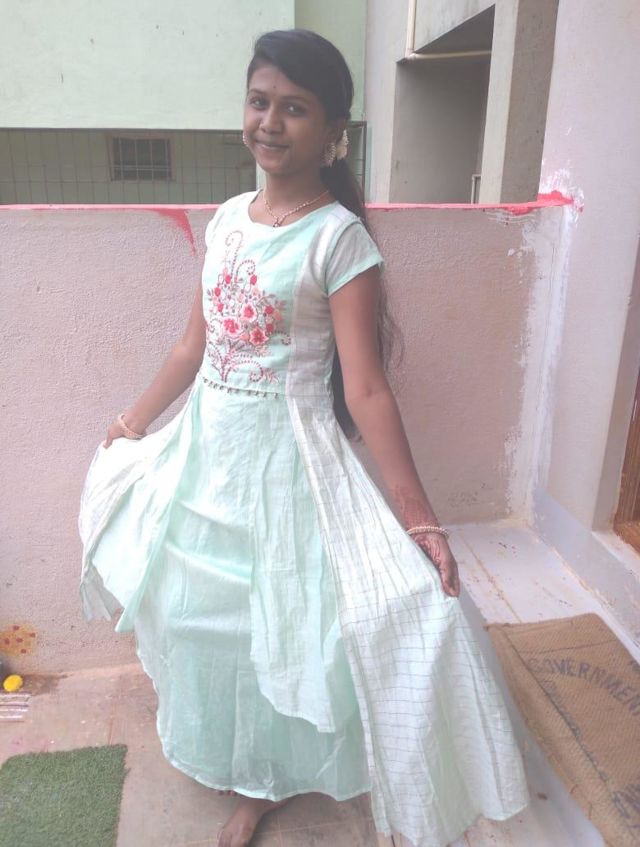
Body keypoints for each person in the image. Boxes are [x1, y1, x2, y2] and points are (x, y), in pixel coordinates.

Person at [78, 27, 530, 847]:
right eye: (260, 102)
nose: (270, 122)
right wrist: (134, 422)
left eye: (295, 108)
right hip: (205, 453)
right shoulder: (226, 219)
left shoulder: (337, 239)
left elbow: (366, 388)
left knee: (284, 622)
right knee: (200, 613)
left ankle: (263, 783)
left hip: (288, 467)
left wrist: (419, 518)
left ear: (333, 132)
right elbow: (193, 344)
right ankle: (231, 750)